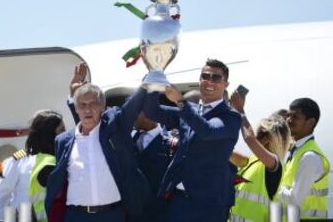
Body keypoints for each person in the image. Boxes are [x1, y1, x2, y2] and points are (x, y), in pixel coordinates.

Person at [144, 59, 241, 222]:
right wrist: (154, 76)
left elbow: (207, 130)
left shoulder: (230, 116)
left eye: (216, 78)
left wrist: (181, 102)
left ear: (226, 84)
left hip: (209, 206)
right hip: (179, 200)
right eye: (205, 76)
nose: (209, 81)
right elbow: (152, 111)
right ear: (199, 80)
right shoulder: (191, 110)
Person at [45, 82, 149, 222]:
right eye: (82, 105)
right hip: (76, 216)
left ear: (102, 107)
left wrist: (152, 74)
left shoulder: (114, 132)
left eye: (92, 104)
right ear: (75, 108)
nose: (87, 109)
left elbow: (132, 106)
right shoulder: (63, 141)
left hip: (112, 215)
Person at [0, 110, 64, 221]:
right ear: (48, 133)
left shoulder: (63, 158)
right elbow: (0, 197)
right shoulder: (18, 161)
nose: (65, 134)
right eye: (62, 130)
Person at [229, 90, 291, 222]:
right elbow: (225, 151)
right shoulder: (253, 162)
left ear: (268, 139)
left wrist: (240, 110)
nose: (256, 137)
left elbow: (250, 139)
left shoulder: (275, 164)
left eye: (259, 134)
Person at [278, 98, 330, 220]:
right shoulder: (296, 151)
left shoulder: (310, 157)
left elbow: (294, 200)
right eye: (288, 116)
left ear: (311, 122)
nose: (288, 120)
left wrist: (275, 186)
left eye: (295, 117)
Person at [28, 110, 65, 222]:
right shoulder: (51, 164)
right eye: (62, 130)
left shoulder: (39, 160)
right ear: (50, 135)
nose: (66, 133)